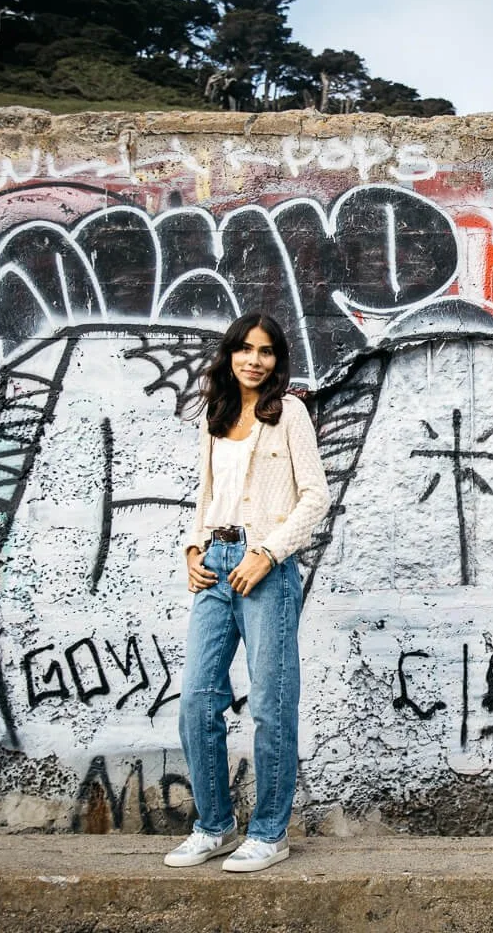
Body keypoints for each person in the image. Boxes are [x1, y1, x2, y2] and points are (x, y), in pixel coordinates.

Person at [163, 313, 330, 874]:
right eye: (244, 349)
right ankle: (213, 825)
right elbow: (207, 493)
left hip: (266, 569)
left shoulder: (289, 415)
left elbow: (315, 497)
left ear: (278, 362)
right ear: (230, 354)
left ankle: (269, 833)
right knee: (196, 700)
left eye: (266, 352)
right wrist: (193, 549)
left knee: (270, 704)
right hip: (215, 563)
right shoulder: (216, 413)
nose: (253, 360)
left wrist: (269, 552)